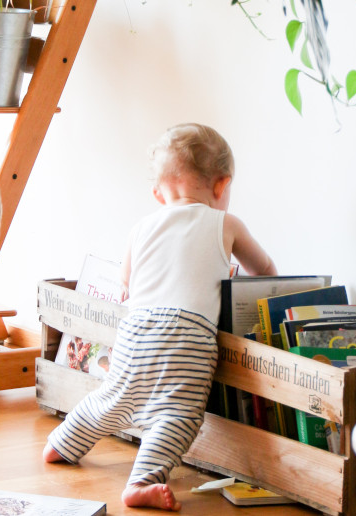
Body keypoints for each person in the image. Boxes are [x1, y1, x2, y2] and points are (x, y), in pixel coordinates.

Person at [42, 123, 277, 511]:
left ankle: (61, 444)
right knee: (178, 413)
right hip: (188, 335)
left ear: (158, 193)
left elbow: (126, 284)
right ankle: (142, 481)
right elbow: (264, 271)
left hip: (136, 329)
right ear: (221, 186)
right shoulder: (226, 224)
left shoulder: (141, 227)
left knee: (114, 398)